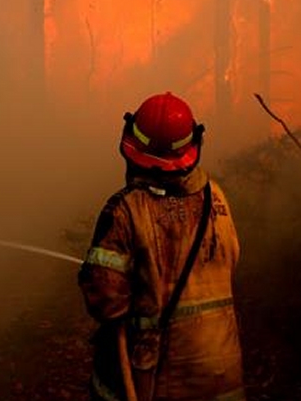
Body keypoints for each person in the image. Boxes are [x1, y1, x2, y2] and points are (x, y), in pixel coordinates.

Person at [78, 92, 246, 401]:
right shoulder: (217, 198)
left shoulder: (126, 210)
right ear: (192, 145)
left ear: (131, 147)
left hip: (153, 381)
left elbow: (106, 302)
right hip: (221, 373)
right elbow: (230, 260)